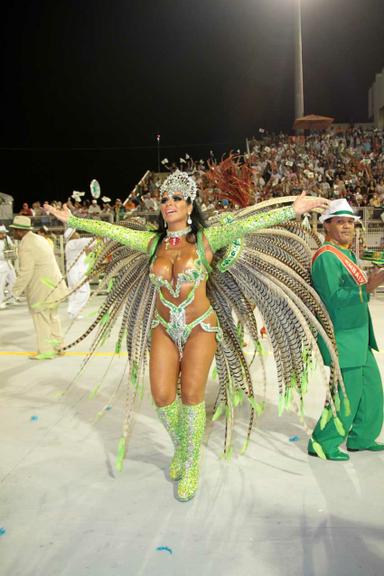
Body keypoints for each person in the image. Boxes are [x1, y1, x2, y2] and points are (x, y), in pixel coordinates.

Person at [45, 171, 333, 501]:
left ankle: (191, 463)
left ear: (190, 204)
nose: (169, 203)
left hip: (200, 327)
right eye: (165, 199)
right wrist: (75, 219)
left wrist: (292, 208)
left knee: (192, 395)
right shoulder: (152, 243)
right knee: (162, 395)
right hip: (164, 327)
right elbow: (114, 231)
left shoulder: (208, 239)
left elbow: (247, 226)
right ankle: (184, 446)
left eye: (177, 198)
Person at [308, 199, 384, 461]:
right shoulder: (326, 257)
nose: (347, 226)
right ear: (327, 225)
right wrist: (369, 286)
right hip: (342, 335)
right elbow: (334, 297)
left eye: (351, 222)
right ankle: (323, 442)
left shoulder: (347, 254)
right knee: (345, 393)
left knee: (372, 390)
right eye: (341, 222)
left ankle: (362, 437)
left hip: (359, 334)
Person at [10, 215, 68, 359]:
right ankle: (59, 346)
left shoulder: (26, 245)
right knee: (53, 316)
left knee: (41, 319)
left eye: (14, 231)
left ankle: (46, 350)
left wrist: (14, 291)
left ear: (19, 231)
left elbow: (25, 272)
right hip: (54, 285)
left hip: (42, 288)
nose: (13, 233)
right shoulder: (39, 239)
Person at [64, 228, 93, 320]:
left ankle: (71, 312)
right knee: (83, 291)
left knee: (74, 292)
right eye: (75, 233)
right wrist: (100, 237)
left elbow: (86, 249)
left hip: (75, 272)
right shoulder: (72, 243)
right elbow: (86, 241)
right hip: (76, 272)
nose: (77, 234)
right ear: (71, 236)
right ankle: (74, 312)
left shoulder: (72, 245)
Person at [0, 225, 17, 309]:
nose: (4, 235)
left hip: (8, 263)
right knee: (1, 284)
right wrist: (6, 254)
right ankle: (0, 301)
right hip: (1, 264)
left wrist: (12, 252)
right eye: (2, 233)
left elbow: (12, 247)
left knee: (13, 281)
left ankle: (11, 298)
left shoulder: (6, 238)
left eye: (4, 233)